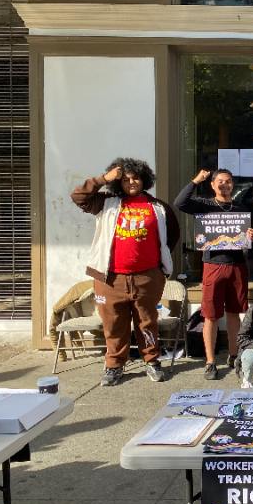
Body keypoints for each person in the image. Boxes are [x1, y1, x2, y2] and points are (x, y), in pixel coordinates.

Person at [71, 158, 179, 387]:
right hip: (110, 277)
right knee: (113, 324)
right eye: (125, 179)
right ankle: (114, 366)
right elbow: (78, 197)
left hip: (147, 276)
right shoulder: (105, 203)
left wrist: (158, 267)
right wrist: (103, 179)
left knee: (147, 322)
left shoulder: (158, 207)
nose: (131, 182)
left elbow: (172, 236)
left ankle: (151, 362)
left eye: (135, 178)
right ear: (117, 183)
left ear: (144, 179)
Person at [174, 169, 253, 380]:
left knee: (234, 312)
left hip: (238, 264)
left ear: (233, 185)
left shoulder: (240, 207)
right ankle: (210, 361)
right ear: (212, 185)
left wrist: (252, 236)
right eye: (220, 181)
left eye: (229, 182)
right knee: (210, 315)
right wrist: (196, 180)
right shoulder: (204, 204)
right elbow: (180, 203)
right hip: (213, 264)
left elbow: (248, 237)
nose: (225, 185)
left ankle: (233, 354)